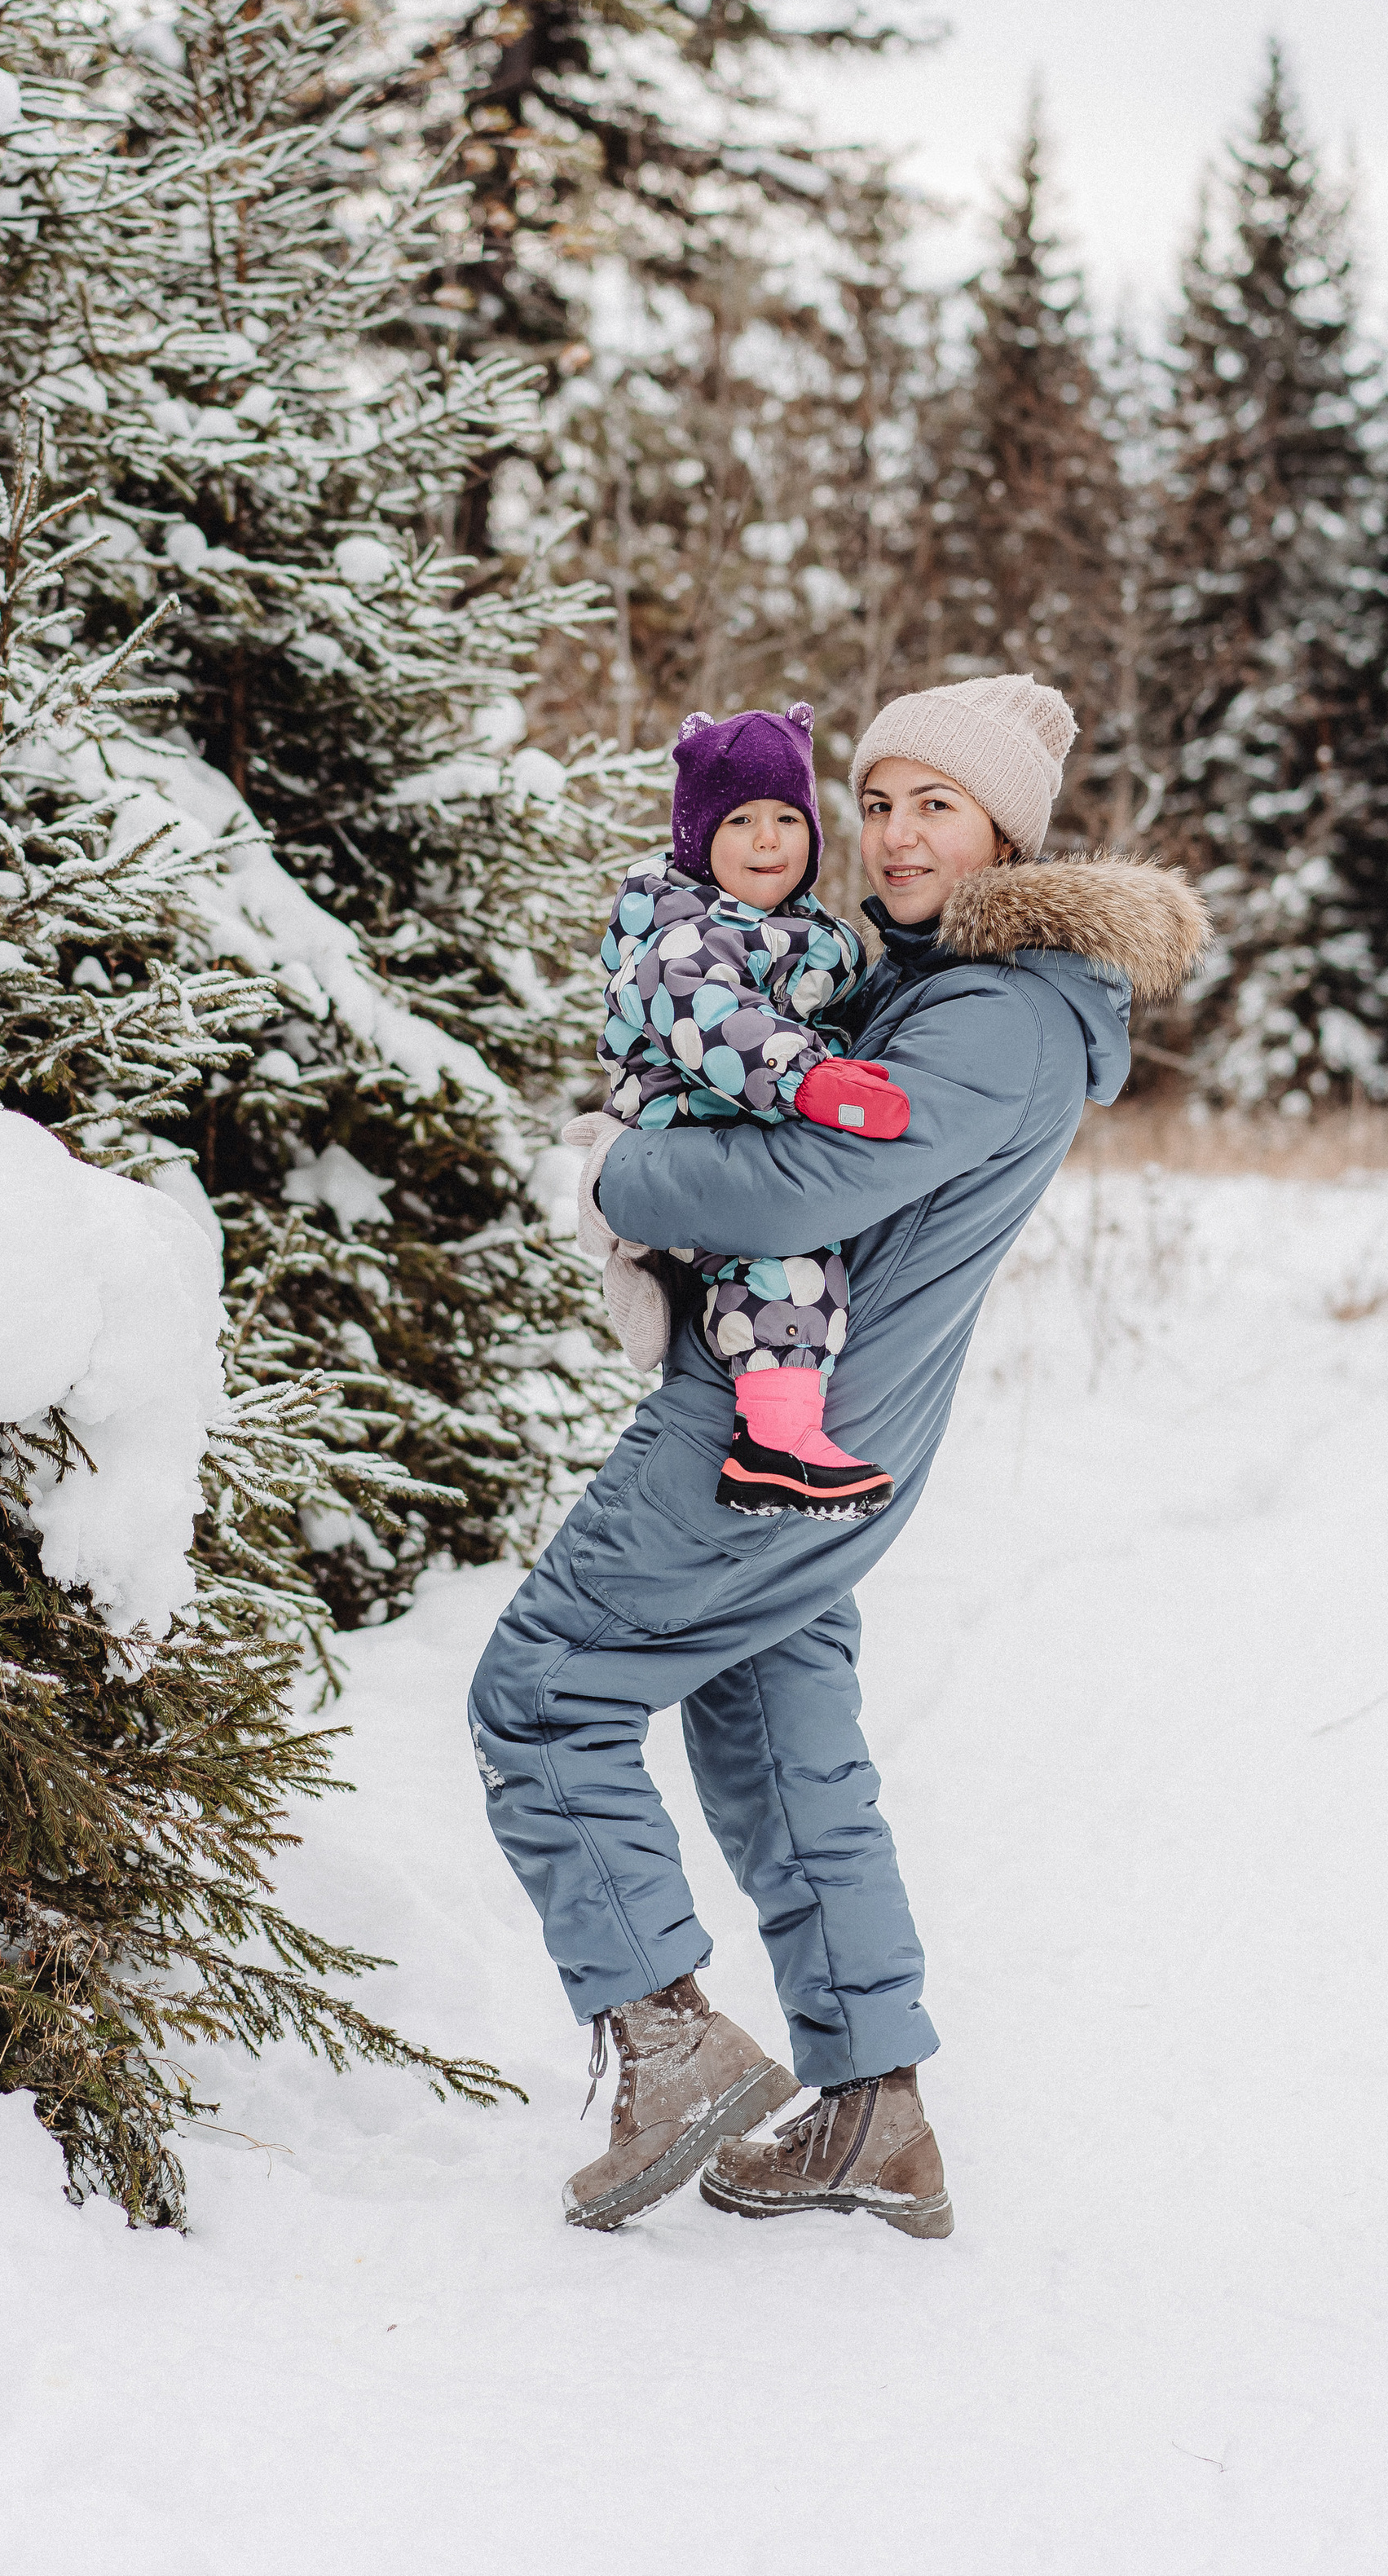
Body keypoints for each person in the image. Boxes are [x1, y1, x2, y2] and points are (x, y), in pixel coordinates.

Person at [468, 672, 1211, 2236]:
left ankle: (669, 2050)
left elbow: (805, 1187)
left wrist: (625, 1178)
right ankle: (875, 2106)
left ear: (1007, 826)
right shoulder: (950, 985)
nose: (892, 834)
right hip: (841, 1434)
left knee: (543, 1698)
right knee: (774, 1736)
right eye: (874, 802)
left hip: (772, 1420)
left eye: (935, 804)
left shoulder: (996, 1011)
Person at [593, 697, 914, 1525]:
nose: (767, 840)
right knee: (782, 1254)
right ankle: (773, 1445)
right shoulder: (680, 936)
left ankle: (776, 1430)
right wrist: (811, 1081)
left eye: (785, 817)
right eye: (739, 820)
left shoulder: (812, 935)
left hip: (746, 1130)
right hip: (685, 1134)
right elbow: (709, 1017)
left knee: (798, 1251)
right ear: (699, 840)